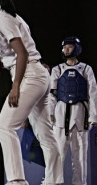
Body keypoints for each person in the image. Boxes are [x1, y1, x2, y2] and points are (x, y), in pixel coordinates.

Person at [0, 0, 63, 185]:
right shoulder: (12, 16)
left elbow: (22, 52)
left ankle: (17, 181)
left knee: (4, 126)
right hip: (38, 74)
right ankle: (54, 181)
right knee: (45, 133)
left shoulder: (4, 19)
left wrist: (15, 86)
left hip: (29, 75)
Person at [49, 36, 97, 185]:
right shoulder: (57, 69)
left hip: (80, 117)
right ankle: (53, 182)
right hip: (60, 117)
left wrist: (93, 116)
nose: (66, 49)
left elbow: (93, 93)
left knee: (80, 156)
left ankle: (80, 183)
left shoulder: (86, 69)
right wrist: (50, 113)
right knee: (57, 155)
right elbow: (52, 93)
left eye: (69, 46)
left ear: (76, 48)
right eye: (64, 47)